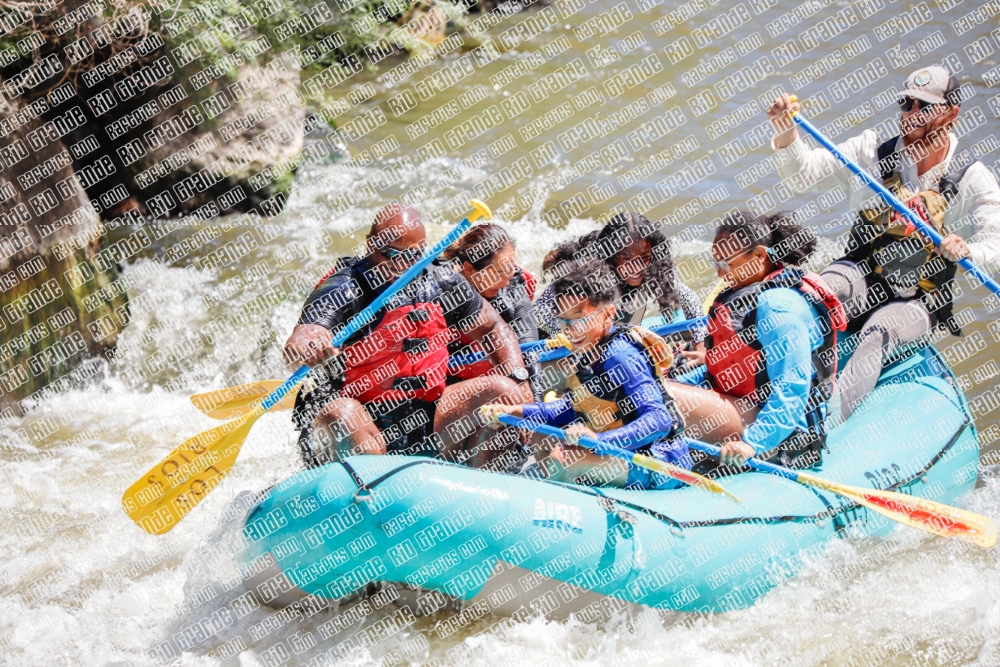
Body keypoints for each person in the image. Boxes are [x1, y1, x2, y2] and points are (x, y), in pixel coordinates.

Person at [767, 65, 1000, 422]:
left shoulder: (972, 178)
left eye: (925, 107)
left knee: (879, 330)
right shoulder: (871, 150)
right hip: (861, 275)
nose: (911, 115)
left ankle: (824, 426)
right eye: (906, 104)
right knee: (819, 291)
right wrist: (786, 132)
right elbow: (803, 175)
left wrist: (968, 249)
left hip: (917, 300)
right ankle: (773, 388)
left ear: (952, 113)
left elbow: (995, 243)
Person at [283, 204, 531, 467]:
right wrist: (309, 346)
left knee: (503, 392)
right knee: (340, 413)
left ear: (423, 250)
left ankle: (482, 491)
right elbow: (302, 337)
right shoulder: (344, 287)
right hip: (361, 424)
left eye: (411, 255)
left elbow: (493, 328)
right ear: (370, 243)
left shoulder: (442, 282)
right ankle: (362, 496)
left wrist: (519, 378)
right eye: (389, 253)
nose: (399, 265)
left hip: (425, 418)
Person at [479, 259, 692, 490]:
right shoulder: (587, 351)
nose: (571, 331)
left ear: (608, 314)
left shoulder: (621, 355)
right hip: (622, 452)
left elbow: (660, 421)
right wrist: (515, 411)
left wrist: (599, 440)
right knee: (542, 437)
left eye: (580, 319)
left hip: (659, 462)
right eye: (564, 321)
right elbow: (569, 409)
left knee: (565, 461)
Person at [665, 210, 846, 471]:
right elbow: (726, 366)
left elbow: (792, 388)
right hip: (745, 408)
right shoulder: (750, 295)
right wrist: (676, 380)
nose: (719, 274)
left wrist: (753, 443)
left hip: (784, 434)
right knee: (658, 388)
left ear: (760, 256)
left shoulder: (777, 309)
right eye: (715, 263)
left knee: (663, 397)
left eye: (726, 264)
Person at [534, 212, 708, 368]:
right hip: (555, 353)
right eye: (627, 258)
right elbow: (540, 314)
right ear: (612, 255)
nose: (637, 267)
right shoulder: (587, 273)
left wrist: (700, 348)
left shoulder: (651, 269)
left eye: (645, 258)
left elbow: (690, 298)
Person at [441, 223, 543, 399]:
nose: (505, 282)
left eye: (510, 268)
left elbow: (529, 346)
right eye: (498, 273)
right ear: (469, 268)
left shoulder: (514, 284)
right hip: (452, 379)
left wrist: (535, 397)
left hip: (496, 375)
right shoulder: (441, 290)